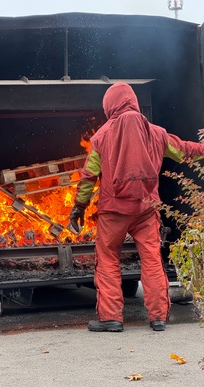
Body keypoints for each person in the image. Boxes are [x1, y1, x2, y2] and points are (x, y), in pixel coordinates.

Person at [70, 82, 204, 332]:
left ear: (109, 106)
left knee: (108, 259)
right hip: (145, 210)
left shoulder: (100, 137)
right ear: (132, 101)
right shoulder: (157, 133)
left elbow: (88, 176)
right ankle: (158, 317)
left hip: (113, 212)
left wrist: (78, 208)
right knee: (152, 259)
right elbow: (186, 151)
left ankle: (111, 318)